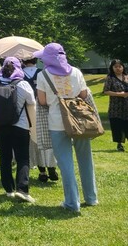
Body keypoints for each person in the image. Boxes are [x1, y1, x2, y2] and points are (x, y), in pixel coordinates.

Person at [35, 43, 98, 212]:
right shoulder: (76, 71)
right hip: (79, 121)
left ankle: (72, 203)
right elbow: (84, 95)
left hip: (57, 122)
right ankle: (91, 198)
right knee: (86, 160)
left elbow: (42, 101)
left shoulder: (43, 75)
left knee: (65, 163)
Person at [0, 57, 36, 202]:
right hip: (20, 126)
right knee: (22, 158)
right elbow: (31, 103)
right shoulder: (23, 84)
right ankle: (22, 189)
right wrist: (33, 128)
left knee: (5, 157)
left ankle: (8, 189)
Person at [21, 58, 59, 182]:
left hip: (28, 111)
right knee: (48, 138)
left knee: (34, 141)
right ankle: (51, 166)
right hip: (45, 108)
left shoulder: (20, 75)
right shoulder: (43, 73)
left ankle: (42, 170)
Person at [103, 59, 128, 151]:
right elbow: (106, 91)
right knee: (118, 125)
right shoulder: (110, 78)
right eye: (115, 67)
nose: (118, 68)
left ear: (123, 67)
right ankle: (119, 144)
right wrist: (120, 94)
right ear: (112, 68)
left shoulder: (126, 76)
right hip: (116, 107)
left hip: (127, 106)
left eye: (120, 66)